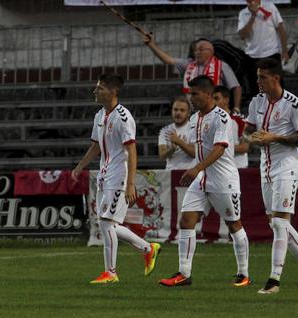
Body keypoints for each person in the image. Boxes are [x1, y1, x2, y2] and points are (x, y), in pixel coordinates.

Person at [158, 75, 250, 288]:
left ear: (208, 94)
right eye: (190, 93)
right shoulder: (194, 119)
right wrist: (190, 159)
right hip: (202, 179)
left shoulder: (221, 118)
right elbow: (196, 150)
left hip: (224, 180)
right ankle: (184, 273)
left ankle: (243, 273)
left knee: (234, 225)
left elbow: (220, 148)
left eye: (195, 93)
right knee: (186, 221)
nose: (191, 98)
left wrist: (197, 167)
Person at [71, 73, 161, 285]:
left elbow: (132, 150)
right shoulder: (99, 115)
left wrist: (130, 183)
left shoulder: (123, 117)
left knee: (106, 222)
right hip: (104, 176)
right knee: (106, 224)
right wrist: (80, 166)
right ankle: (148, 248)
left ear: (113, 91)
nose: (95, 91)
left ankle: (111, 272)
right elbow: (96, 146)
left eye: (100, 88)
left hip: (119, 177)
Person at [243, 58, 298, 294]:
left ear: (276, 78)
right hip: (265, 166)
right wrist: (253, 137)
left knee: (280, 223)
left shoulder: (294, 104)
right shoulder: (257, 101)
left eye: (262, 77)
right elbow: (249, 129)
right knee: (275, 223)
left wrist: (275, 138)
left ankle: (274, 280)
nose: (258, 81)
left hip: (287, 166)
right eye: (258, 76)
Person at [142, 35, 243, 113]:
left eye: (201, 49)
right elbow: (167, 59)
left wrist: (236, 108)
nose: (197, 52)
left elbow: (236, 87)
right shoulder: (189, 64)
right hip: (193, 110)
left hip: (214, 110)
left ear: (211, 51)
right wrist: (151, 44)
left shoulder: (222, 66)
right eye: (195, 50)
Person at [213, 86, 250, 168]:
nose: (213, 102)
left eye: (216, 98)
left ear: (226, 100)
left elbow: (244, 147)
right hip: (219, 168)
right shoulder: (210, 120)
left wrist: (220, 149)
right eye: (212, 99)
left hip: (238, 167)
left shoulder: (240, 119)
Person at [158, 97, 195, 170]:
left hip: (189, 173)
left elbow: (194, 153)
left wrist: (178, 141)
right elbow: (162, 156)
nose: (178, 113)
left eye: (182, 110)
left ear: (188, 113)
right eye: (175, 110)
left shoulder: (194, 129)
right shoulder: (165, 131)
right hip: (170, 173)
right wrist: (172, 149)